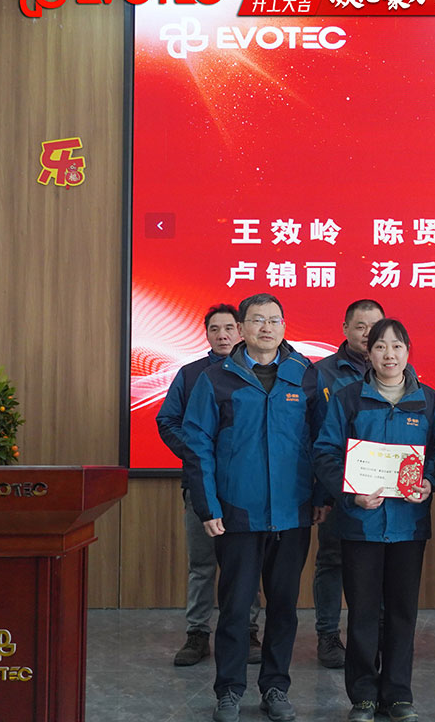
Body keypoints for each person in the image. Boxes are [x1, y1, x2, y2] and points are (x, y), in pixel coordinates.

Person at [181, 293, 329, 722]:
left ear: (284, 326)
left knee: (284, 607)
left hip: (292, 511)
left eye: (274, 320)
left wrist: (320, 497)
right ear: (242, 328)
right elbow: (197, 445)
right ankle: (229, 690)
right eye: (258, 320)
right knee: (235, 606)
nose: (267, 327)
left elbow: (323, 441)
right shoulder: (215, 379)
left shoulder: (305, 375)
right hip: (237, 513)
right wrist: (208, 506)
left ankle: (276, 688)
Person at [313, 318, 435, 722]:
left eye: (397, 346)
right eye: (380, 347)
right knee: (363, 612)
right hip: (361, 523)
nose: (389, 355)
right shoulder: (348, 398)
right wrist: (349, 492)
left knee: (403, 613)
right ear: (368, 353)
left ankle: (398, 694)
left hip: (408, 524)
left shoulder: (429, 401)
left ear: (408, 352)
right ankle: (363, 696)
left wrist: (430, 481)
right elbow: (325, 452)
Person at [156, 303, 262, 668]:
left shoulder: (257, 373)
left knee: (246, 564)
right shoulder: (190, 374)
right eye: (214, 329)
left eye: (229, 328)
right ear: (205, 334)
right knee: (202, 564)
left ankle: (247, 630)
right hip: (200, 485)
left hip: (245, 489)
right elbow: (167, 420)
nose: (222, 335)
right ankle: (197, 633)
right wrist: (198, 454)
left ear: (241, 331)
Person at [312, 299, 387, 670]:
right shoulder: (321, 373)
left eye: (375, 327)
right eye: (360, 326)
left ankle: (377, 634)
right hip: (337, 488)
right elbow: (312, 435)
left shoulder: (398, 369)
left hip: (386, 491)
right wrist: (322, 493)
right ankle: (328, 635)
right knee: (331, 560)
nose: (368, 334)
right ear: (345, 329)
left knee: (380, 563)